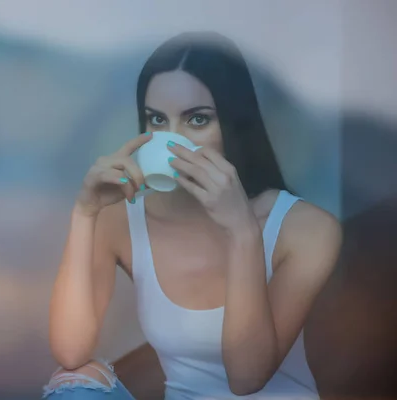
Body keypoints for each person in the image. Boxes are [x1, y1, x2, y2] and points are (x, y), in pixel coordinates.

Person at [43, 31, 342, 399]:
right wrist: (84, 212)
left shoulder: (308, 229)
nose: (172, 140)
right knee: (73, 385)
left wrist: (242, 231)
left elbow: (247, 378)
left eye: (197, 120)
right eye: (156, 120)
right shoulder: (122, 219)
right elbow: (71, 352)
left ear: (234, 124)